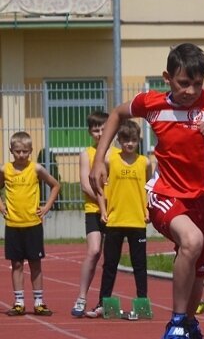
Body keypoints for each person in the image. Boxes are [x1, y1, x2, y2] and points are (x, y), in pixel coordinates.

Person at [89, 42, 204, 339]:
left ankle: (191, 324)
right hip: (165, 194)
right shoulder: (152, 103)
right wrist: (100, 160)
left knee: (199, 270)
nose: (191, 91)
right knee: (191, 241)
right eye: (184, 83)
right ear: (167, 78)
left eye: (197, 83)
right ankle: (176, 323)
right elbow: (116, 113)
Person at [87, 120, 152, 317]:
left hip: (137, 220)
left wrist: (148, 209)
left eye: (133, 140)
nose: (130, 144)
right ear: (119, 141)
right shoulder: (110, 161)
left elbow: (150, 186)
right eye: (125, 140)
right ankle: (102, 303)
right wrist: (103, 209)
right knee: (110, 265)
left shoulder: (145, 162)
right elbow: (99, 186)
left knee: (139, 265)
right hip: (115, 219)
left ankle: (142, 303)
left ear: (138, 141)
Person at [1, 131, 61, 316]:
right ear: (11, 150)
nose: (21, 155)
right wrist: (1, 205)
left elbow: (55, 185)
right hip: (13, 224)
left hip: (33, 224)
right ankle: (19, 301)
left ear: (31, 151)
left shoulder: (36, 169)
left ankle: (39, 301)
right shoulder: (5, 170)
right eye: (18, 151)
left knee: (35, 264)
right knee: (16, 264)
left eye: (25, 151)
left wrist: (46, 207)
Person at [71, 111, 119, 317]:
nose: (99, 134)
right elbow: (84, 183)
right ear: (90, 132)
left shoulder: (117, 154)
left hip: (116, 212)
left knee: (111, 257)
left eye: (103, 129)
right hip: (94, 209)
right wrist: (103, 200)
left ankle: (104, 300)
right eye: (95, 130)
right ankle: (81, 297)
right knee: (93, 251)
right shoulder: (86, 154)